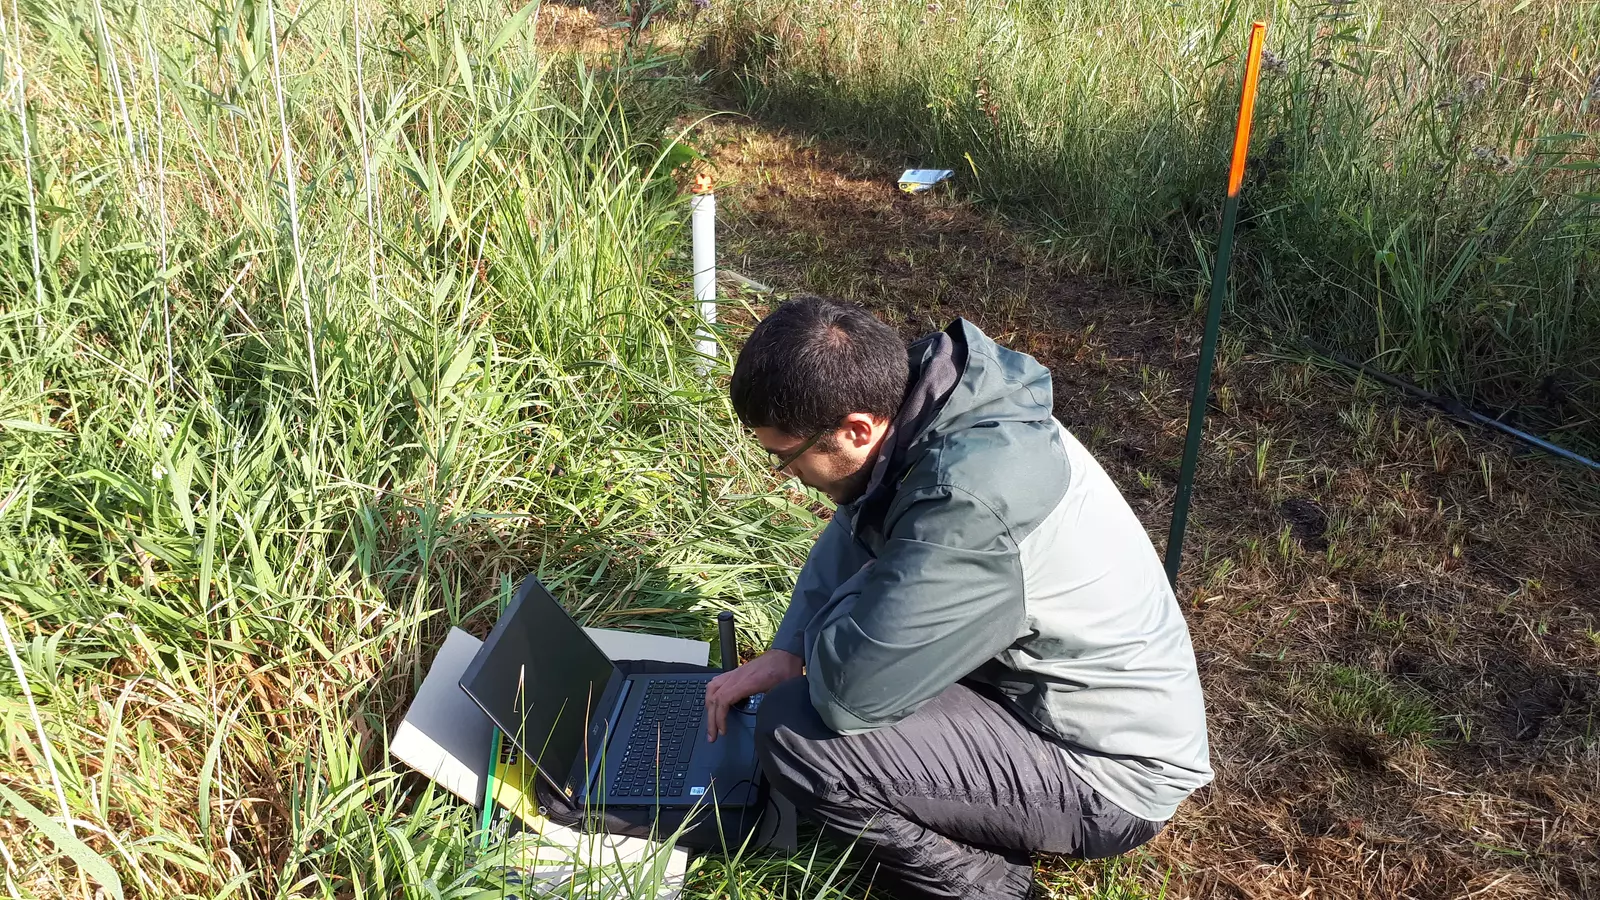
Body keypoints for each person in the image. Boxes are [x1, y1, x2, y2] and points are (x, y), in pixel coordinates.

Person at [703, 296, 1212, 900]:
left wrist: (821, 645)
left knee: (797, 733)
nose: (785, 473)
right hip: (1034, 691)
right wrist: (789, 649)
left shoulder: (967, 505)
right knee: (808, 689)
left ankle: (995, 888)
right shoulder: (926, 401)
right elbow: (855, 524)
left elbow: (849, 695)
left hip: (1107, 772)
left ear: (856, 430)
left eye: (784, 457)